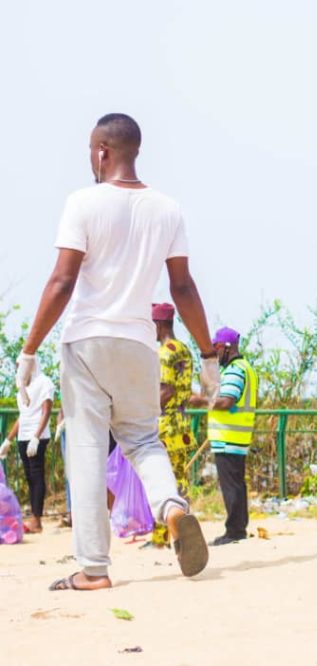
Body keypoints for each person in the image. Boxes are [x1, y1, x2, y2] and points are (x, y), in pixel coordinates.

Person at [16, 113, 221, 591]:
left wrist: (29, 351)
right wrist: (208, 355)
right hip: (137, 342)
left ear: (103, 150)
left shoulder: (83, 203)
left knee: (87, 448)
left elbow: (63, 280)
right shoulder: (167, 208)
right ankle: (171, 507)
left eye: (91, 150)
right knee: (143, 441)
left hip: (87, 340)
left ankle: (93, 569)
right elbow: (183, 286)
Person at [192, 327, 259, 546]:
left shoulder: (234, 370)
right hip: (236, 435)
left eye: (217, 348)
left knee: (231, 486)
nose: (215, 353)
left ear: (226, 348)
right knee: (236, 484)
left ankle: (234, 531)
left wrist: (200, 400)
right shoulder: (245, 367)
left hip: (229, 435)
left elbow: (226, 402)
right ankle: (238, 528)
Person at [150, 303, 195, 547]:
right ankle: (185, 532)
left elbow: (166, 390)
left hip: (165, 425)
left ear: (157, 324)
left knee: (162, 483)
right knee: (180, 481)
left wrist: (146, 413)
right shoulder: (184, 349)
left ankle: (160, 538)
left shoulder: (164, 353)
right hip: (182, 424)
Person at [0, 368, 55, 533]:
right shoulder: (23, 387)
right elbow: (23, 416)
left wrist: (36, 437)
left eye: (21, 364)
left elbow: (47, 411)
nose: (18, 368)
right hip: (23, 437)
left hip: (36, 437)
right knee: (29, 477)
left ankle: (37, 520)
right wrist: (8, 440)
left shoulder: (44, 382)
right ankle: (33, 516)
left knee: (37, 475)